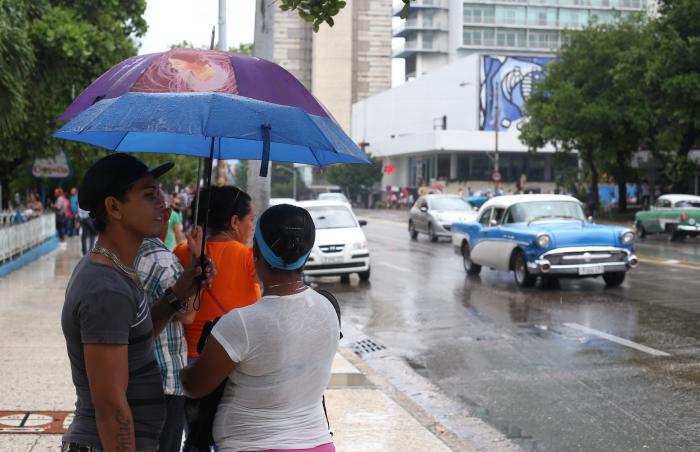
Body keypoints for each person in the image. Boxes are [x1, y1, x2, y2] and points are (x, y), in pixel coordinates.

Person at [60, 153, 214, 452]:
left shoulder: (118, 270)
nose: (163, 203)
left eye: (160, 192)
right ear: (114, 207)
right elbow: (111, 408)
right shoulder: (106, 289)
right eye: (148, 195)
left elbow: (134, 341)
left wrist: (178, 293)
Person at [180, 204, 340, 452]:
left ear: (256, 252)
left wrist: (179, 367)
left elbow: (194, 386)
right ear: (307, 254)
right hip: (319, 443)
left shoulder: (241, 323)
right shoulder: (329, 309)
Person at [134, 191, 197, 452]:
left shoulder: (126, 253)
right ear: (168, 215)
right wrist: (195, 270)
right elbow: (188, 314)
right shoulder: (163, 260)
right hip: (166, 378)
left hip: (135, 378)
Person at [174, 185, 260, 361]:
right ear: (235, 222)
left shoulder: (182, 252)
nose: (252, 227)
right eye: (251, 220)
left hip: (189, 356)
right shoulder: (247, 257)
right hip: (230, 358)